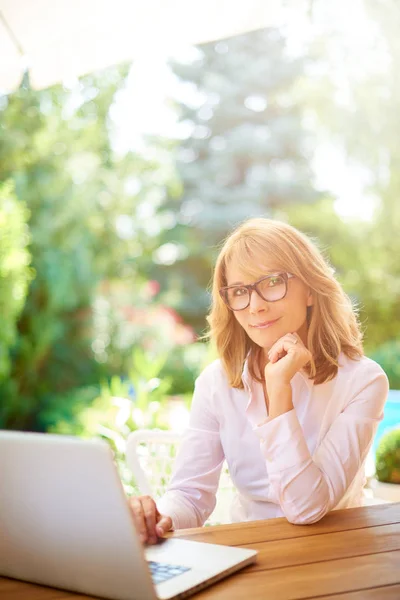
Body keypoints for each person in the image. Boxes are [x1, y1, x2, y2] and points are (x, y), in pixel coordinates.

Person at [129, 218, 388, 545]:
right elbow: (190, 494)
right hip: (248, 556)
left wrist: (279, 393)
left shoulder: (363, 381)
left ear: (309, 289)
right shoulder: (216, 383)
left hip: (334, 558)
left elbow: (308, 508)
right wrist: (159, 518)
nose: (255, 305)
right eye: (239, 291)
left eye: (272, 282)